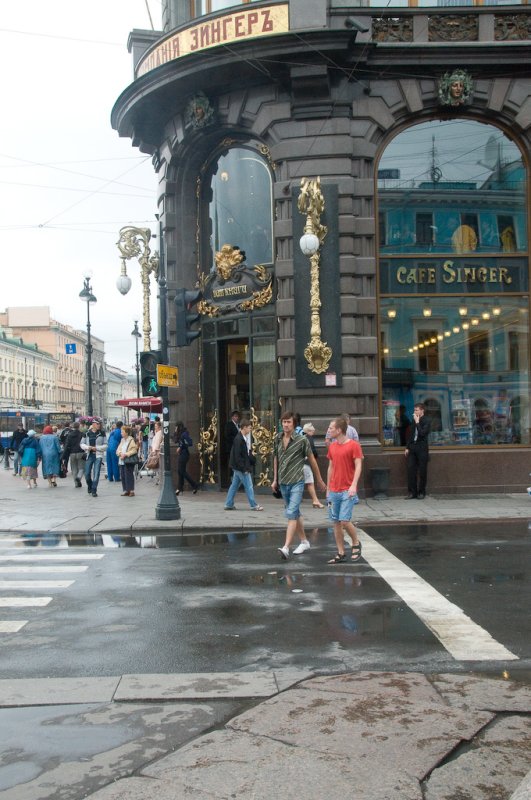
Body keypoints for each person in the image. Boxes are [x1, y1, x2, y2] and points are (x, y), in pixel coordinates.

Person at [272, 411, 326, 560]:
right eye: (284, 422)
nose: (285, 424)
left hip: (297, 481)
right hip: (283, 482)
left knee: (291, 513)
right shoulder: (277, 438)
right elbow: (276, 458)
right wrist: (275, 479)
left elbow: (312, 461)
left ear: (294, 424)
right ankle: (304, 541)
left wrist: (319, 479)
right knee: (295, 513)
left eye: (288, 422)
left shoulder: (302, 440)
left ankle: (286, 547)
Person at [325, 417, 364, 564]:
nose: (328, 430)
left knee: (344, 521)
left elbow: (358, 465)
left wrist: (354, 485)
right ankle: (341, 552)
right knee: (335, 522)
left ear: (339, 430)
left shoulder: (353, 445)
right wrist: (328, 488)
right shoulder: (333, 446)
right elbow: (331, 467)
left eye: (331, 428)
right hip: (334, 490)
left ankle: (355, 542)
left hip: (347, 489)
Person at [224, 419, 264, 511]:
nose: (250, 430)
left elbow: (242, 454)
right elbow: (238, 456)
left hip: (237, 467)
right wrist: (244, 468)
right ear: (244, 428)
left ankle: (228, 504)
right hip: (241, 467)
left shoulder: (241, 438)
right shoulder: (239, 439)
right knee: (249, 486)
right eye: (249, 428)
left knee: (234, 485)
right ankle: (253, 505)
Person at [405, 402, 431, 500]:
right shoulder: (414, 420)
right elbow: (411, 434)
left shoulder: (426, 421)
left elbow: (422, 433)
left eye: (416, 410)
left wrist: (417, 422)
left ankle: (421, 492)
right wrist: (407, 447)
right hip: (412, 447)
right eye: (414, 410)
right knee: (411, 470)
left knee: (422, 471)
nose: (414, 412)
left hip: (422, 448)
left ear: (422, 410)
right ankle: (412, 492)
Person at [81, 420, 107, 497]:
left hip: (98, 455)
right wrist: (88, 447)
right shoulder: (86, 433)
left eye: (99, 424)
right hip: (89, 455)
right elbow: (82, 444)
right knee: (87, 474)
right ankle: (90, 485)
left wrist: (97, 448)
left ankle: (94, 490)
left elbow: (106, 445)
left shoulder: (102, 433)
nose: (99, 425)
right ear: (93, 424)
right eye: (97, 424)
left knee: (96, 473)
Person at [302, 422, 324, 508]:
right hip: (306, 464)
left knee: (298, 483)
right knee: (310, 482)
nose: (313, 433)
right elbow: (313, 451)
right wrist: (316, 457)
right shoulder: (309, 439)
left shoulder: (301, 437)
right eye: (312, 431)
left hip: (299, 464)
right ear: (308, 431)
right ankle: (315, 500)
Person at [174, 421, 198, 495]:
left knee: (182, 471)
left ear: (178, 427)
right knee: (180, 471)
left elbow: (189, 443)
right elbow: (176, 441)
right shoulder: (180, 434)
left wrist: (180, 447)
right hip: (182, 454)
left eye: (176, 427)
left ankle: (194, 485)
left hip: (184, 454)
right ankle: (180, 488)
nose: (175, 428)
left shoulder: (184, 434)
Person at [117, 424, 138, 497]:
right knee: (123, 475)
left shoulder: (131, 439)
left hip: (128, 460)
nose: (121, 433)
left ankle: (131, 490)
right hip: (122, 460)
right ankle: (126, 490)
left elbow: (134, 450)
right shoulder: (122, 440)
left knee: (129, 475)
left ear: (126, 432)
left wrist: (126, 454)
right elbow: (118, 449)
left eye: (122, 432)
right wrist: (120, 453)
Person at [62, 421, 85, 488]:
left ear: (73, 427)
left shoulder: (70, 435)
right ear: (79, 427)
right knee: (81, 468)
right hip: (80, 452)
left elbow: (66, 445)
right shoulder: (82, 434)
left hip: (72, 453)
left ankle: (76, 483)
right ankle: (78, 477)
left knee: (74, 469)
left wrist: (63, 455)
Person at [148, 420, 163, 484]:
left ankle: (159, 479)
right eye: (155, 426)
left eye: (156, 426)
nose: (155, 427)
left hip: (156, 451)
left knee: (157, 465)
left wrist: (154, 451)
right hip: (154, 450)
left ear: (159, 427)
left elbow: (157, 442)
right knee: (156, 465)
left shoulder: (159, 433)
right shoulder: (157, 433)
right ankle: (158, 478)